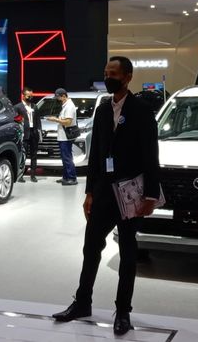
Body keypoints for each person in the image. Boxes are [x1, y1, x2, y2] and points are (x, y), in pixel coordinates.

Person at [53, 56, 160, 336]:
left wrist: (150, 196)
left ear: (127, 77)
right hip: (102, 192)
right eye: (106, 72)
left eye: (113, 73)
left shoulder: (142, 111)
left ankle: (123, 310)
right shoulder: (102, 110)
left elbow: (151, 155)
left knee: (128, 253)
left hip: (130, 194)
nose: (108, 77)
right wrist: (89, 192)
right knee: (91, 247)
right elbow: (97, 156)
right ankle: (82, 302)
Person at [46, 88, 78, 186]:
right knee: (65, 158)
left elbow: (68, 122)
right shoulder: (65, 106)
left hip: (66, 137)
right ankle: (66, 176)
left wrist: (55, 119)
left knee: (67, 157)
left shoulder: (69, 106)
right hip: (62, 136)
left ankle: (72, 178)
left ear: (64, 96)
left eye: (58, 97)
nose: (57, 99)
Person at [14, 87, 42, 182]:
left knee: (34, 154)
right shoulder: (18, 107)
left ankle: (33, 175)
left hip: (34, 133)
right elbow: (15, 120)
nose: (30, 97)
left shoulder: (35, 106)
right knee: (23, 155)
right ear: (23, 95)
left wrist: (39, 131)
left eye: (31, 96)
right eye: (28, 96)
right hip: (24, 133)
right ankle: (20, 175)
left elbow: (38, 120)